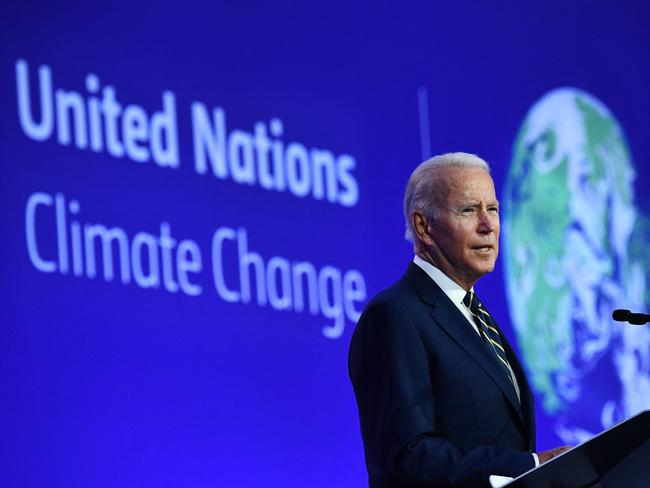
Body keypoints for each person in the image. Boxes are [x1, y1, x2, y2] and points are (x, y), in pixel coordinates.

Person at [348, 152, 569, 487]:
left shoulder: (476, 316)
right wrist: (533, 465)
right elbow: (406, 458)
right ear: (424, 226)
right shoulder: (395, 316)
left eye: (492, 209)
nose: (489, 224)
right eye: (469, 210)